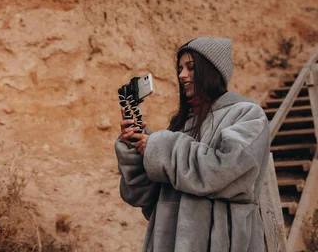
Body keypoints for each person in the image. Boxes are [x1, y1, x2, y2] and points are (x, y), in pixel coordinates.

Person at [115, 37, 270, 251]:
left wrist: (162, 147)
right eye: (180, 68)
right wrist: (135, 148)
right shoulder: (182, 124)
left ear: (212, 71)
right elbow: (144, 196)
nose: (181, 75)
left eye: (191, 68)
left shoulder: (247, 114)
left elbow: (224, 169)